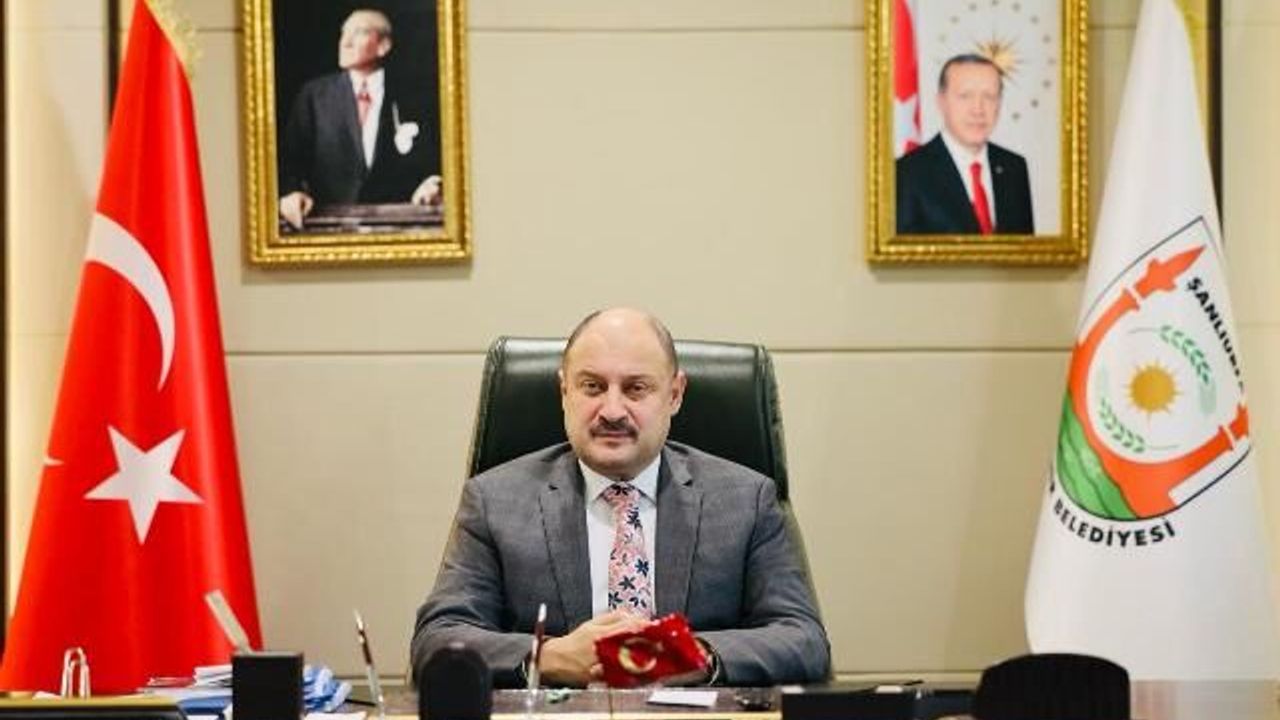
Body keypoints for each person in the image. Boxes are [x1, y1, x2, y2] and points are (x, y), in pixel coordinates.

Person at [411, 308, 830, 688]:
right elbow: (438, 639)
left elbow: (803, 639)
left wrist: (688, 656)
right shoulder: (494, 500)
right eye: (592, 387)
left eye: (635, 389)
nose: (612, 410)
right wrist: (547, 656)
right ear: (564, 391)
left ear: (675, 394)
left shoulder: (746, 500)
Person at [277, 9, 441, 230]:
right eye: (343, 34)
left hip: (398, 225)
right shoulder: (314, 96)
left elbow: (433, 159)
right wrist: (291, 192)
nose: (345, 42)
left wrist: (433, 182)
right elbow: (290, 161)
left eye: (358, 32)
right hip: (328, 225)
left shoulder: (412, 96)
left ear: (383, 46)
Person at [896, 53, 1034, 235]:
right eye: (965, 96)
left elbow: (1025, 249)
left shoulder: (1014, 167)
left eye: (989, 96)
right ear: (941, 102)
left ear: (999, 103)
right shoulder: (907, 174)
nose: (978, 109)